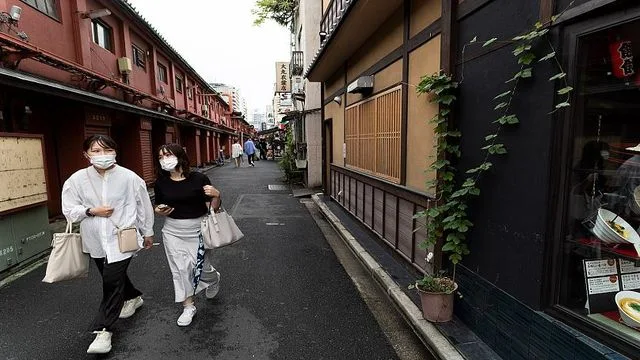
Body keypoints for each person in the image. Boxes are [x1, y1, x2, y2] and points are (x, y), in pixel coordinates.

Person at [61, 134, 154, 355]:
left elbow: (143, 206)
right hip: (94, 240)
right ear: (86, 154)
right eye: (96, 151)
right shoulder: (76, 180)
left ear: (115, 152)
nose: (102, 155)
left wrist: (148, 231)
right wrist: (91, 211)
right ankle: (133, 297)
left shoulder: (130, 178)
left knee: (111, 282)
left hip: (122, 238)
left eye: (107, 150)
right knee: (111, 277)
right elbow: (69, 210)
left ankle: (104, 330)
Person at [154, 144, 222, 327]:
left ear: (179, 156)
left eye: (167, 155)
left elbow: (213, 207)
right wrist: (160, 210)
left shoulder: (199, 178)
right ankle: (188, 306)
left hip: (199, 229)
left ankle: (213, 278)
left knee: (202, 269)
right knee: (181, 269)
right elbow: (159, 204)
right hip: (172, 231)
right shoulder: (161, 182)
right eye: (161, 157)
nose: (164, 159)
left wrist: (216, 195)